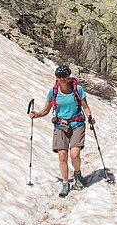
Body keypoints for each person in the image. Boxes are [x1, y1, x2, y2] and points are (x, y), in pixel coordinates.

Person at [29, 65, 94, 197]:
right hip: (60, 125)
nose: (62, 79)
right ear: (56, 78)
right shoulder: (53, 92)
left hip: (77, 124)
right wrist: (36, 115)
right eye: (59, 76)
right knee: (62, 155)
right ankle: (65, 183)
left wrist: (90, 117)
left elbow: (85, 106)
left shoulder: (77, 89)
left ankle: (77, 174)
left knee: (74, 154)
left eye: (64, 76)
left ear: (68, 76)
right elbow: (46, 110)